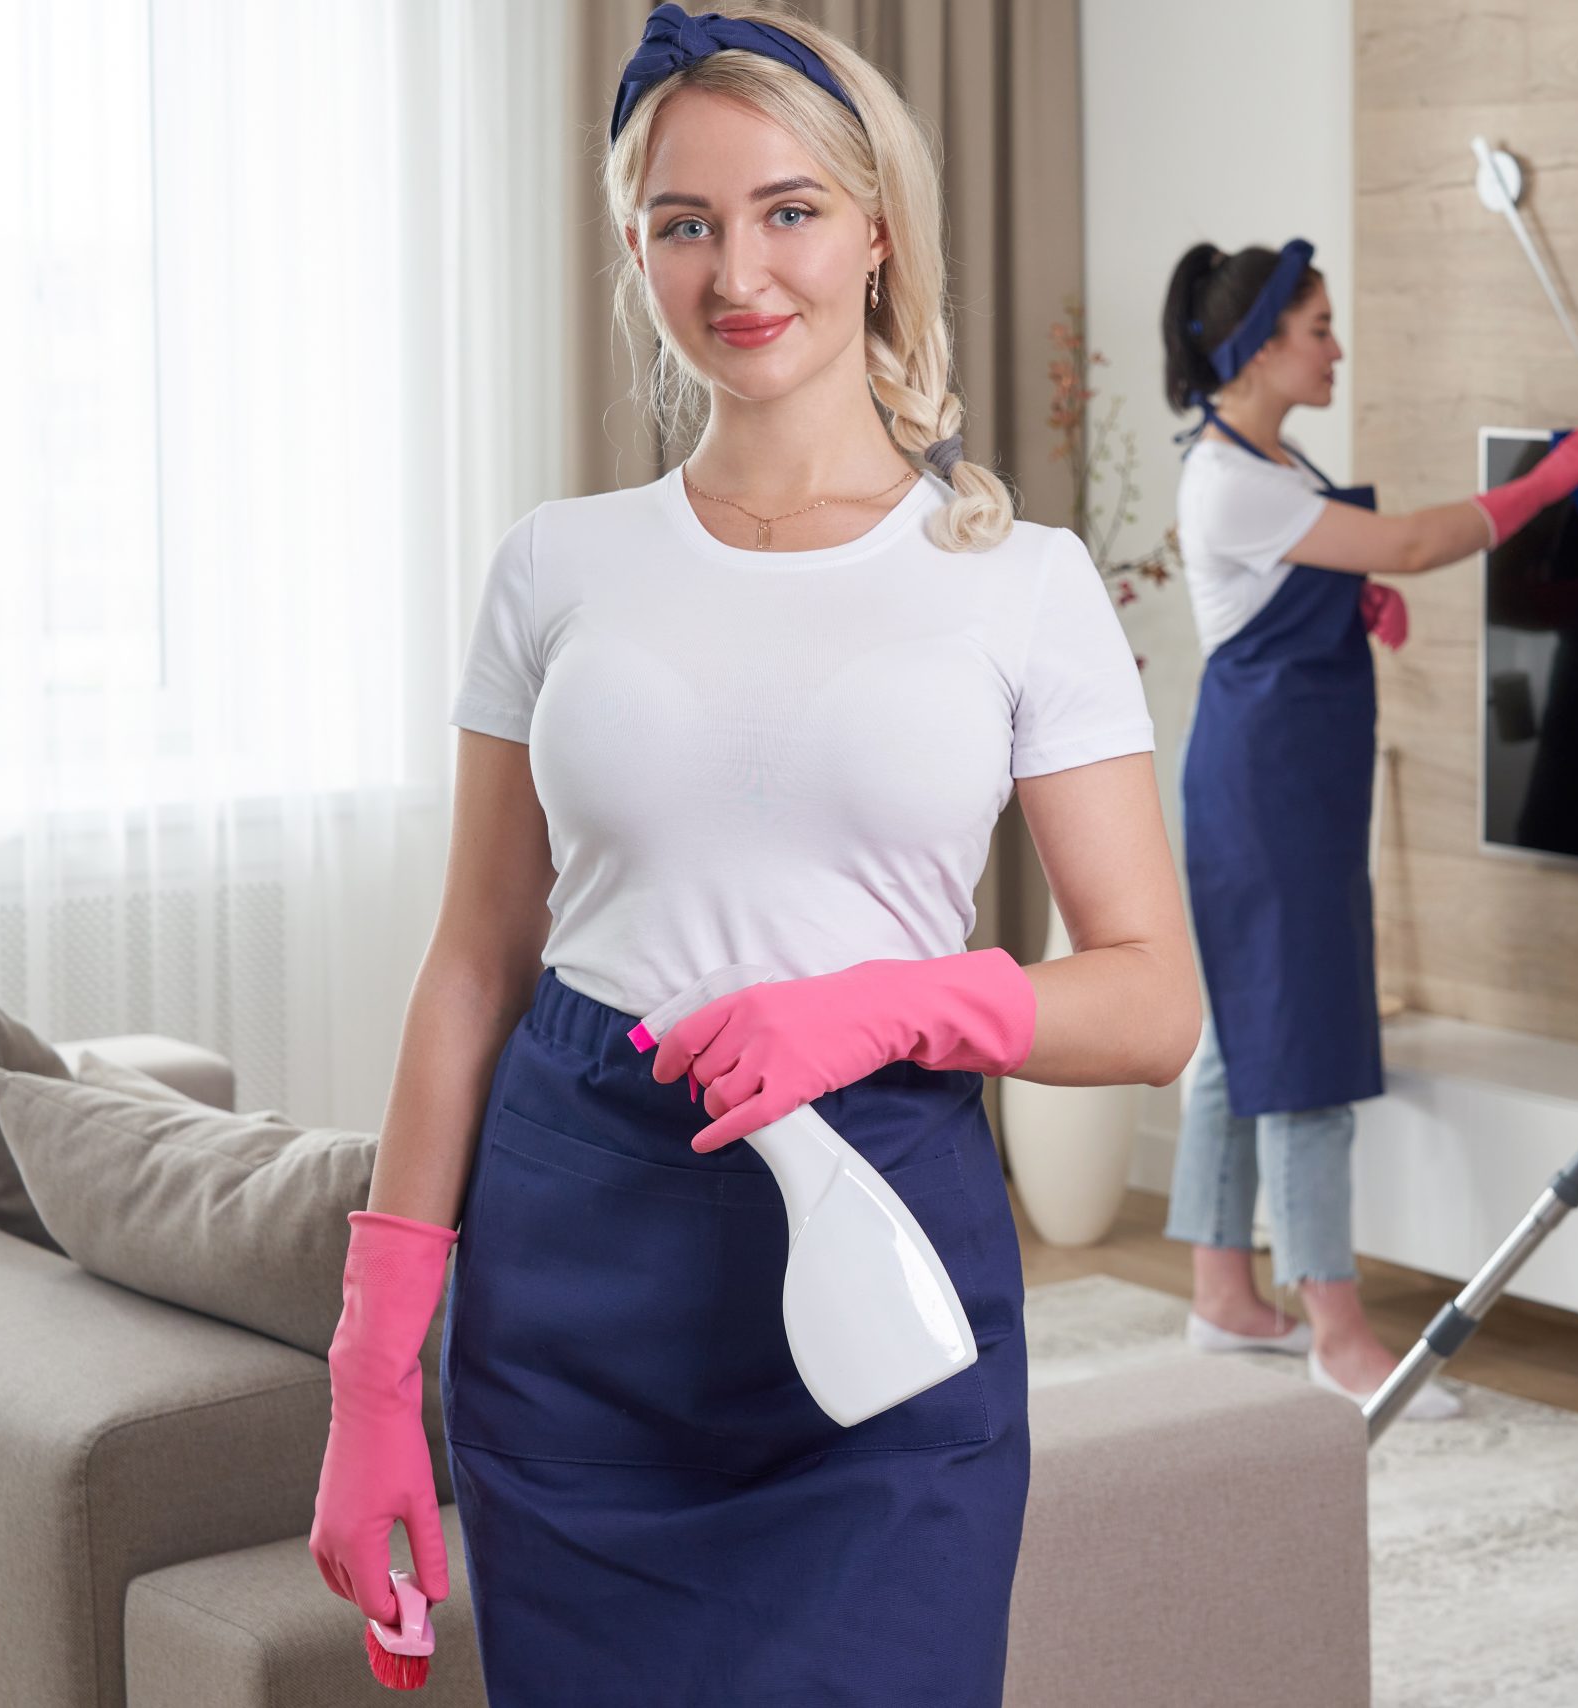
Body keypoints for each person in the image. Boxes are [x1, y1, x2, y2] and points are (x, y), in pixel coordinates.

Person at [306, 8, 1198, 1702]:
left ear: (878, 229)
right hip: (578, 1270)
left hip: (879, 1257)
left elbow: (1155, 999)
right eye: (684, 222)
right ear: (635, 246)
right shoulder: (555, 567)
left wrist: (887, 1007)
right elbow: (476, 963)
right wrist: (368, 1379)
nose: (740, 269)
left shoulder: (1022, 578)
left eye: (788, 208)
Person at [1159, 237, 1578, 1417]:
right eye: (1319, 328)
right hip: (1272, 795)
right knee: (1301, 1048)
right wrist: (1548, 480)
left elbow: (1302, 571)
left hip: (1274, 783)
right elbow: (1414, 540)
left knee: (1238, 1035)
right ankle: (1338, 1330)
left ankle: (1222, 1289)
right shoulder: (1233, 477)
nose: (1337, 348)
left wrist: (1342, 594)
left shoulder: (1265, 458)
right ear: (1263, 343)